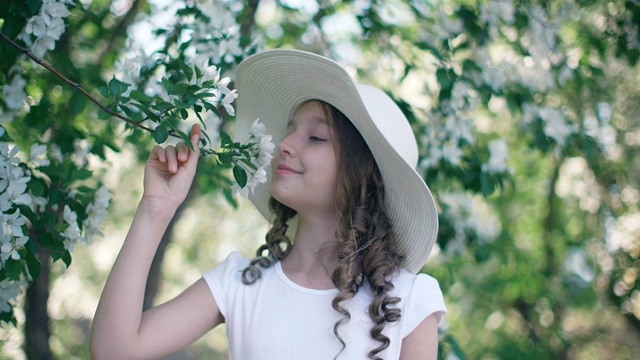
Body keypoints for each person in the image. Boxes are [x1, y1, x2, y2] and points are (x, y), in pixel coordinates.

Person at [90, 49, 446, 360]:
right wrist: (155, 208)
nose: (284, 143)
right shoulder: (239, 284)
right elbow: (114, 351)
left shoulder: (410, 299)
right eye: (289, 130)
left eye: (316, 137)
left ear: (363, 175)